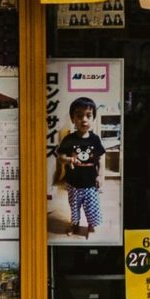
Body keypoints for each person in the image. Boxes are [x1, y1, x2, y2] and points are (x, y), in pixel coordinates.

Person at [53, 97, 106, 237]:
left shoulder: (95, 139)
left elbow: (100, 158)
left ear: (93, 117)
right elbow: (60, 157)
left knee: (91, 208)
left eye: (88, 115)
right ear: (72, 119)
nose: (84, 119)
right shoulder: (68, 139)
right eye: (79, 115)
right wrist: (69, 159)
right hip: (73, 184)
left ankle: (90, 224)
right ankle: (74, 224)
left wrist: (101, 176)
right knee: (74, 207)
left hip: (90, 183)